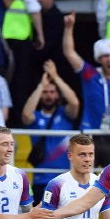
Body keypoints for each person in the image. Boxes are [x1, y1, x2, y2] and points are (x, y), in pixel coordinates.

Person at [63, 10, 110, 165]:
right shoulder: (91, 74)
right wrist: (69, 28)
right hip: (89, 137)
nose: (109, 59)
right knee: (83, 181)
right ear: (100, 58)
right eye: (106, 56)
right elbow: (69, 53)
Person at [22, 60, 79, 204]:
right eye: (45, 93)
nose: (49, 96)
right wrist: (41, 86)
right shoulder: (36, 116)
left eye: (52, 92)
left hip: (65, 179)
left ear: (58, 95)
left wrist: (56, 77)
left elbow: (74, 103)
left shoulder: (65, 114)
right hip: (41, 180)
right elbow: (26, 115)